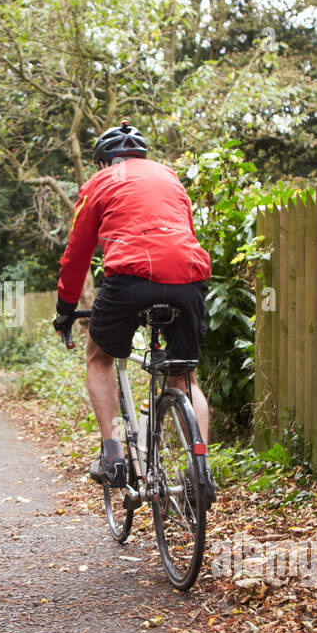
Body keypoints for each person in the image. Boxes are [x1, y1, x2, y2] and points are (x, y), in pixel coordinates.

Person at [52, 122, 212, 493]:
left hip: (129, 278)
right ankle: (199, 468)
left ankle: (112, 454)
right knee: (184, 375)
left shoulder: (99, 183)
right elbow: (184, 233)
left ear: (103, 161)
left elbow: (76, 256)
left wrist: (65, 308)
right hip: (188, 279)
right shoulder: (171, 179)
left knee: (99, 356)